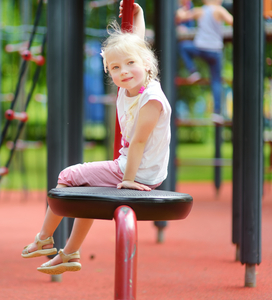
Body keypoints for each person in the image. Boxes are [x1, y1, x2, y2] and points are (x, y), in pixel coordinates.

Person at [21, 1, 171, 275]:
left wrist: (128, 180)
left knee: (67, 176)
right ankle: (69, 253)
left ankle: (44, 238)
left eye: (129, 65)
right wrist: (138, 15)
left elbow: (138, 142)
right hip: (136, 167)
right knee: (85, 189)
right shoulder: (133, 84)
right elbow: (135, 45)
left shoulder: (151, 98)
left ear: (146, 64)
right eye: (114, 68)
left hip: (138, 172)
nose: (123, 71)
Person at [176, 0, 233, 116]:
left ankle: (193, 71)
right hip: (215, 51)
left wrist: (180, 9)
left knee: (183, 47)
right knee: (216, 80)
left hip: (201, 48)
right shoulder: (219, 10)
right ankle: (217, 113)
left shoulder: (200, 11)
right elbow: (233, 22)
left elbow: (180, 17)